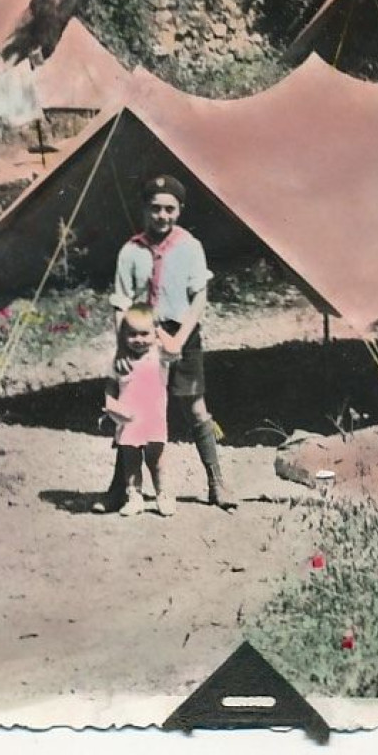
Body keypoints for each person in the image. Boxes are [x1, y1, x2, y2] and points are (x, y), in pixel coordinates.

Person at [109, 175, 234, 509]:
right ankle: (121, 488)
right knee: (132, 410)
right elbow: (121, 303)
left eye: (169, 209)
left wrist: (179, 339)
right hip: (140, 339)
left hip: (182, 334)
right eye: (155, 209)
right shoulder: (131, 251)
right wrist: (123, 346)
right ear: (144, 209)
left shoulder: (190, 246)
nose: (162, 216)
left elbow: (199, 297)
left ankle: (216, 482)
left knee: (195, 407)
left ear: (180, 210)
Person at [96, 304, 173, 517]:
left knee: (156, 461)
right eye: (132, 334)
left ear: (154, 332)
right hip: (128, 420)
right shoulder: (121, 361)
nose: (138, 339)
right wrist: (111, 405)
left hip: (153, 418)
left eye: (144, 333)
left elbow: (175, 350)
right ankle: (134, 496)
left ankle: (163, 495)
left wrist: (158, 331)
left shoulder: (159, 355)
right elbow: (110, 386)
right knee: (130, 462)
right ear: (123, 336)